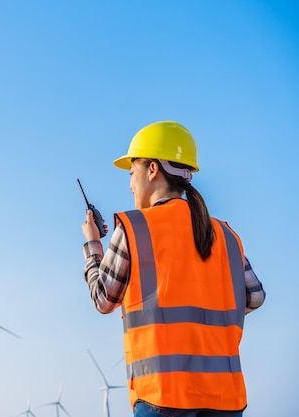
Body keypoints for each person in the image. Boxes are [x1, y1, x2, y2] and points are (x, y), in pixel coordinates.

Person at [81, 121, 265, 417]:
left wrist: (92, 246)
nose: (129, 184)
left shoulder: (133, 228)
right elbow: (255, 297)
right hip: (226, 397)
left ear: (152, 169)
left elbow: (103, 299)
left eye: (132, 173)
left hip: (163, 395)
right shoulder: (227, 235)